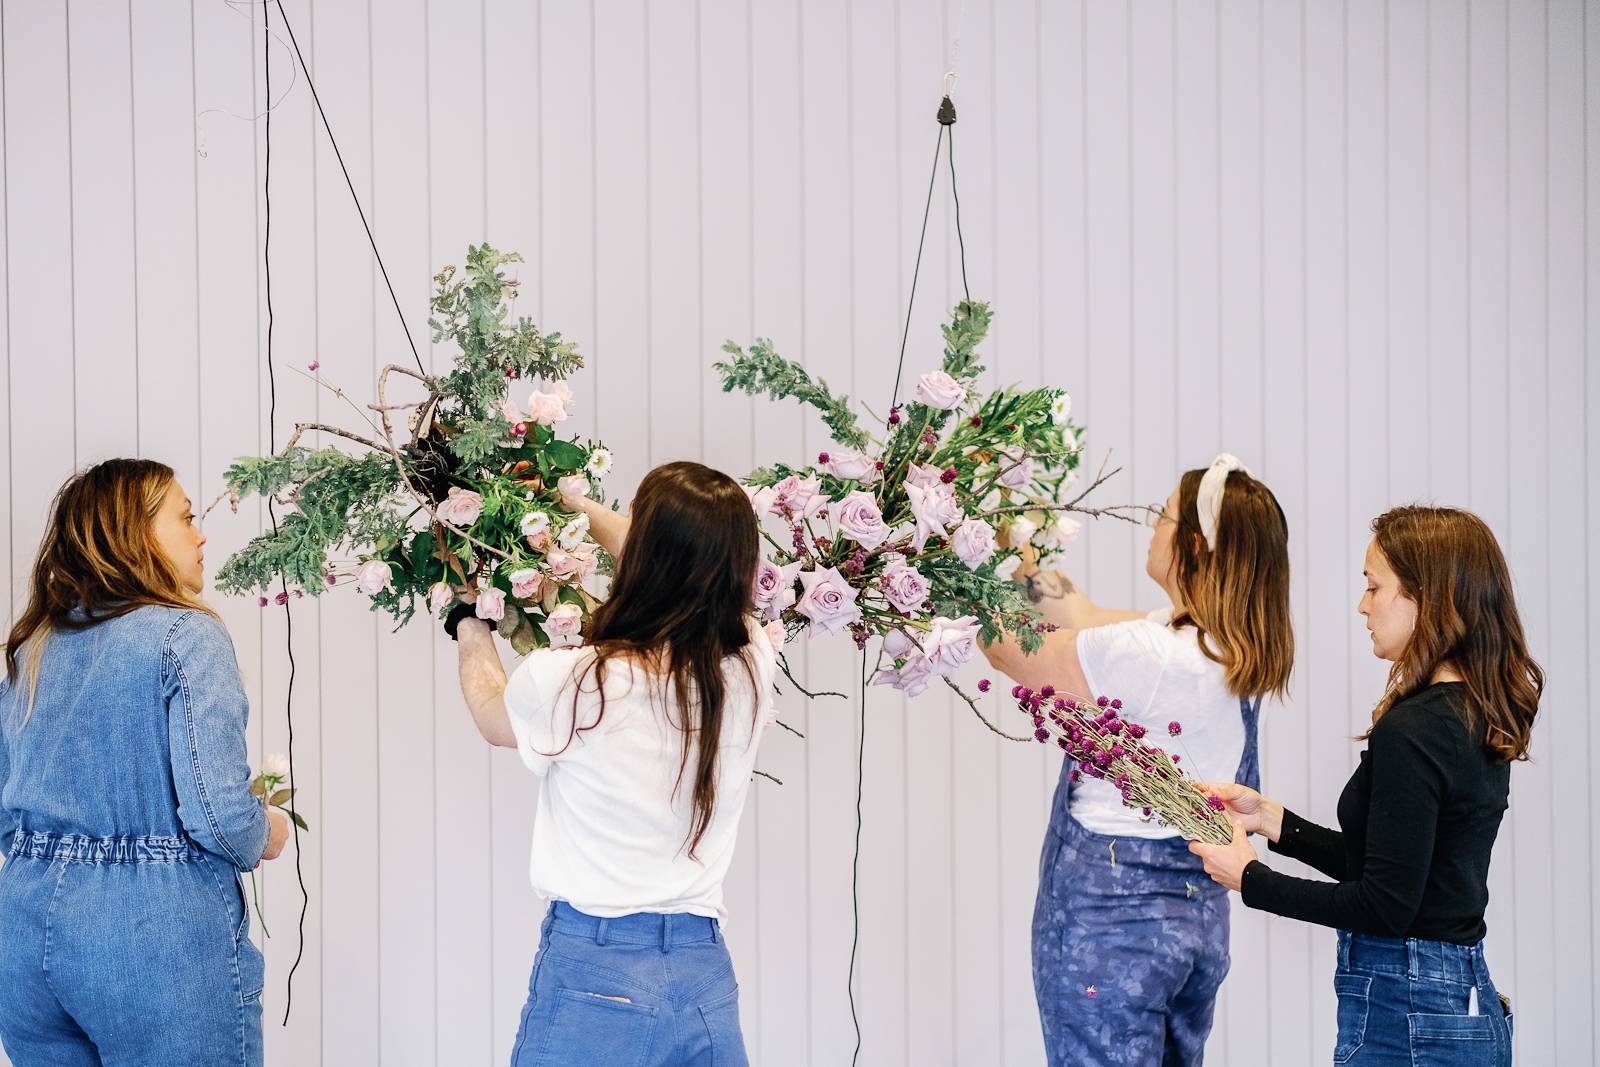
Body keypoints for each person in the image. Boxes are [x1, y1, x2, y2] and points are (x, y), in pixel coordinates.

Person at [447, 460, 776, 1066]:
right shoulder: (750, 663)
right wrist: (575, 507)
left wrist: (468, 618)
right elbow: (681, 564)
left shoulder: (580, 680)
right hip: (704, 975)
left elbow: (493, 715)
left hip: (599, 973)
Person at [1191, 506, 1533, 1065]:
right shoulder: (1471, 714)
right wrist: (1274, 822)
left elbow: (1383, 906)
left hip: (1409, 1009)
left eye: (1374, 587)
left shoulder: (1415, 729)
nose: (1362, 605)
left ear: (1429, 598)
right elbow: (1400, 873)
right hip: (1454, 1000)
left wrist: (1249, 878)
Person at [983, 453, 1294, 1066]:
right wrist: (1013, 542)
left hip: (1112, 931)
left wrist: (949, 564)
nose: (1153, 524)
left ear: (1193, 544)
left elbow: (1005, 650)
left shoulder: (1152, 654)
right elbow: (1082, 617)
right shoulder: (1225, 646)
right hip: (1194, 931)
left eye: (1164, 515)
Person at [0, 459, 288, 1066]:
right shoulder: (184, 635)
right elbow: (217, 817)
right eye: (186, 518)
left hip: (23, 932)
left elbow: (6, 813)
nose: (201, 536)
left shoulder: (36, 645)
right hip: (152, 936)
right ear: (136, 533)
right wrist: (264, 830)